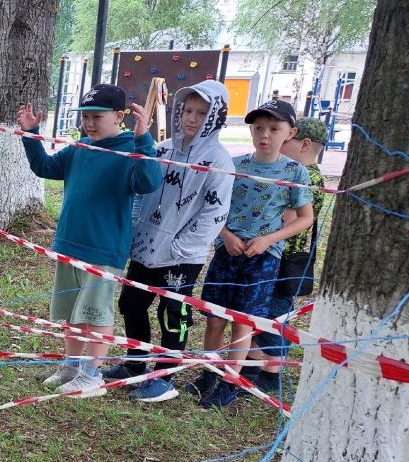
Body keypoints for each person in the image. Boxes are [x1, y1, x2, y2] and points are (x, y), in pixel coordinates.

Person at [17, 83, 163, 396]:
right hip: (70, 245)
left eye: (97, 116)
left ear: (119, 116)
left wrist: (143, 139)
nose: (89, 123)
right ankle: (71, 365)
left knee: (96, 315)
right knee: (71, 313)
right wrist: (31, 133)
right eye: (86, 116)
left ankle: (92, 375)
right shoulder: (80, 148)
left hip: (104, 249)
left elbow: (148, 182)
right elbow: (44, 166)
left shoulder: (130, 148)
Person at [101, 80, 234, 402]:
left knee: (173, 314)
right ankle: (135, 365)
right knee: (131, 304)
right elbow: (140, 189)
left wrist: (183, 247)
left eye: (202, 113)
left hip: (181, 256)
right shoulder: (162, 150)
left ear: (216, 117)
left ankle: (164, 377)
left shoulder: (219, 161)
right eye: (188, 110)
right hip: (146, 247)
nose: (192, 118)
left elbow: (215, 212)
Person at [184, 100, 313, 408]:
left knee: (243, 322)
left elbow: (305, 217)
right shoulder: (234, 166)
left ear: (290, 133)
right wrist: (224, 235)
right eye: (258, 128)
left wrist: (269, 240)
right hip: (226, 253)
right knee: (215, 318)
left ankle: (231, 381)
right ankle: (209, 373)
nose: (264, 135)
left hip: (263, 260)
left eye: (274, 129)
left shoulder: (295, 172)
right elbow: (211, 207)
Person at [244, 117, 328, 393]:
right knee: (264, 309)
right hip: (278, 254)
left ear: (303, 143)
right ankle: (254, 360)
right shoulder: (308, 174)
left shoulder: (305, 177)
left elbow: (288, 217)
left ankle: (271, 372)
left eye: (286, 139)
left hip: (284, 258)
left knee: (276, 313)